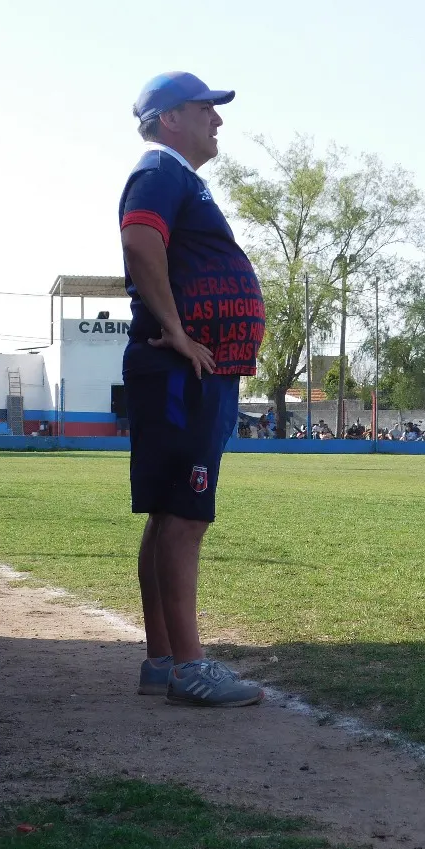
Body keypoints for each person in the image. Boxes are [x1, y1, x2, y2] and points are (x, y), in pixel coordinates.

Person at [119, 71, 265, 708]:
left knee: (168, 514)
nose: (218, 119)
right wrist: (178, 331)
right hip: (184, 375)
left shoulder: (176, 177)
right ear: (170, 117)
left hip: (193, 373)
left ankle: (162, 660)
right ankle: (188, 667)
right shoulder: (160, 171)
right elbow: (139, 241)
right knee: (184, 516)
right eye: (206, 107)